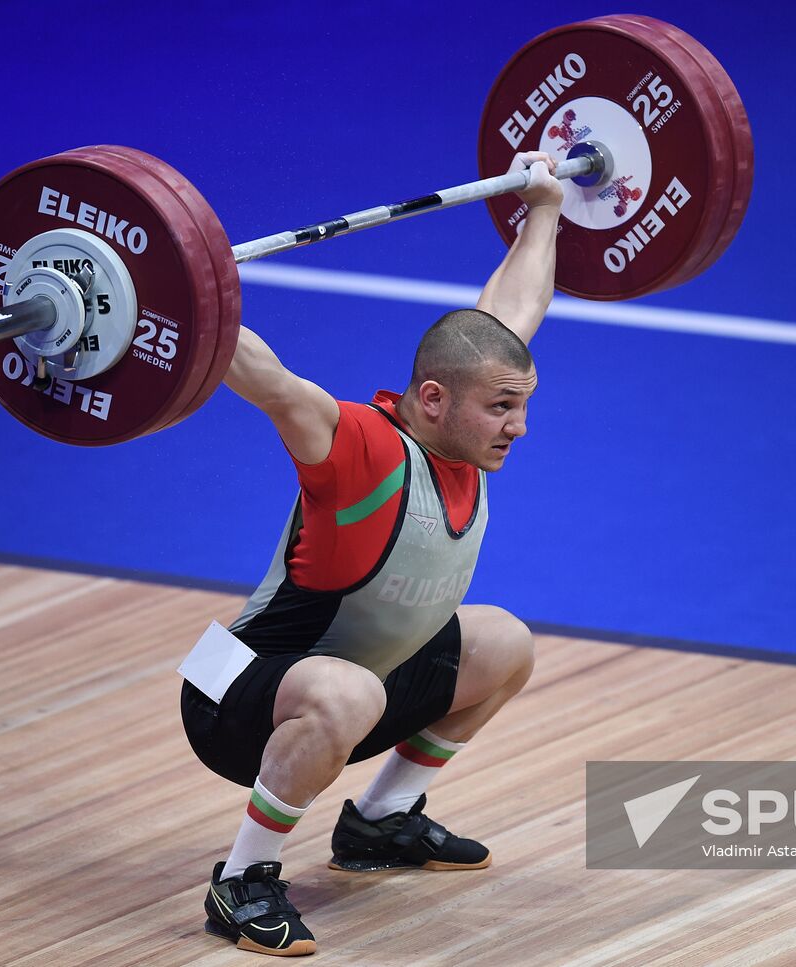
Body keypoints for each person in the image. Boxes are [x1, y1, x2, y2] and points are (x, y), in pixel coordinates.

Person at [179, 150, 565, 957]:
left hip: (351, 684)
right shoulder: (362, 450)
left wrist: (545, 208)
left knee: (503, 640)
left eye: (520, 405)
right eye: (502, 407)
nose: (517, 426)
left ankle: (381, 822)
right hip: (237, 700)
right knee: (348, 690)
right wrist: (184, 291)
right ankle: (243, 878)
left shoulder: (466, 418)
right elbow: (270, 381)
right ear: (434, 398)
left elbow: (510, 313)